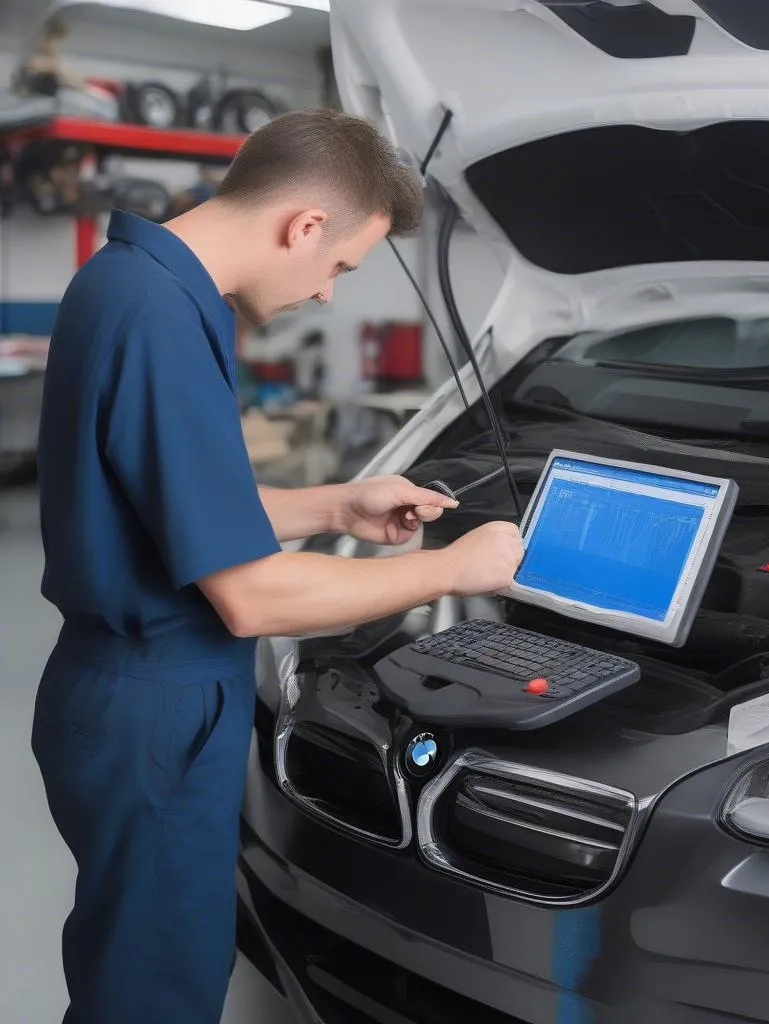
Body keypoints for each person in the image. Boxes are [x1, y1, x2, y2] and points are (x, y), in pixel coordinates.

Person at [32, 108, 524, 1024]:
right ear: (303, 226)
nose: (332, 293)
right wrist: (455, 568)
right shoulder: (162, 322)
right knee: (155, 992)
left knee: (142, 963)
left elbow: (179, 509)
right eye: (340, 266)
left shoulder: (133, 284)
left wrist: (338, 503)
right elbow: (254, 595)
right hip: (158, 700)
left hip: (127, 690)